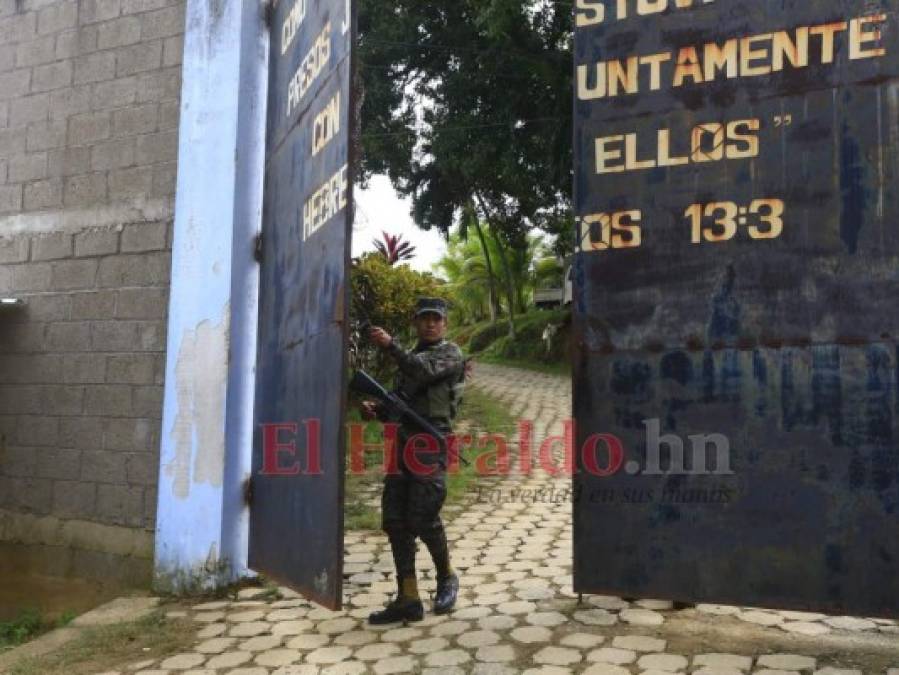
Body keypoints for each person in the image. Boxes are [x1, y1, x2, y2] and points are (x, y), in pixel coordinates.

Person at [360, 297, 466, 624]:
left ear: (445, 324)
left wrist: (391, 345)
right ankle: (408, 597)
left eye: (436, 319)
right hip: (401, 446)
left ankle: (446, 577)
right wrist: (376, 410)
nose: (431, 324)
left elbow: (421, 372)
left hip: (428, 447)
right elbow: (401, 404)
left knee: (422, 516)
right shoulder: (411, 359)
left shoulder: (450, 354)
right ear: (416, 323)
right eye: (424, 319)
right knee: (394, 520)